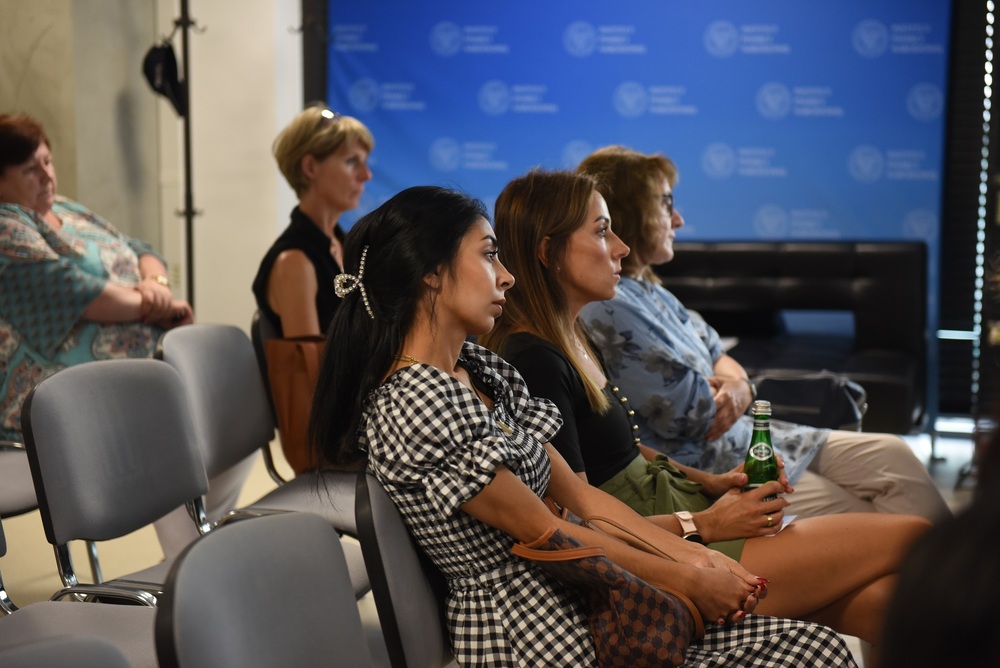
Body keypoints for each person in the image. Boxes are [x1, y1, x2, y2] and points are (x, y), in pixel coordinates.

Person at [309, 185, 858, 666]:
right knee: (808, 652)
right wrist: (687, 572)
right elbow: (546, 532)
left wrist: (698, 556)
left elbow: (585, 503)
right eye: (488, 256)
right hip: (533, 630)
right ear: (430, 273)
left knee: (816, 646)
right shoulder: (414, 401)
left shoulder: (480, 368)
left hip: (583, 593)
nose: (507, 277)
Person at [481, 168, 930, 660]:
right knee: (917, 537)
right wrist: (703, 524)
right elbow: (580, 521)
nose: (622, 248)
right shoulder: (532, 359)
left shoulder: (570, 335)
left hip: (677, 513)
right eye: (602, 230)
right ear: (549, 253)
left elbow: (624, 450)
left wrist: (713, 483)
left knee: (887, 603)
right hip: (655, 551)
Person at [574, 145, 950, 522]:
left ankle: (954, 575)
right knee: (869, 508)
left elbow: (718, 351)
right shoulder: (610, 304)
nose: (679, 220)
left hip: (748, 438)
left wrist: (739, 387)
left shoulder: (652, 290)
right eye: (665, 204)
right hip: (714, 465)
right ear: (627, 213)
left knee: (894, 456)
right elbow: (694, 414)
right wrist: (730, 383)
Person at [0, 112, 239, 560]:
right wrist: (153, 301)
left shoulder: (65, 209)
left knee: (227, 398)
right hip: (55, 390)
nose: (47, 174)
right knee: (170, 418)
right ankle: (191, 563)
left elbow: (144, 250)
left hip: (136, 363)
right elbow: (80, 292)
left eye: (48, 161)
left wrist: (157, 286)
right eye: (30, 169)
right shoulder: (6, 225)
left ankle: (201, 549)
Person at [252, 103, 374, 338]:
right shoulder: (295, 262)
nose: (366, 175)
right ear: (310, 167)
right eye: (351, 162)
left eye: (365, 162)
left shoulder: (346, 246)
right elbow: (312, 369)